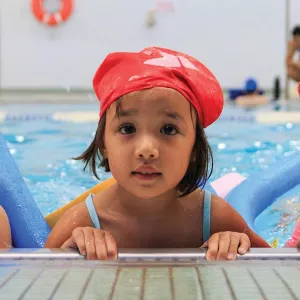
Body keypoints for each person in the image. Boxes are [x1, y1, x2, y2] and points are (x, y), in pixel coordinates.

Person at [45, 47, 270, 260]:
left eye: (168, 130)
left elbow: (279, 271)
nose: (146, 150)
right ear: (103, 143)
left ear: (194, 148)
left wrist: (238, 244)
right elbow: (35, 277)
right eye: (127, 129)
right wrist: (68, 255)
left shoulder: (214, 217)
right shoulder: (84, 221)